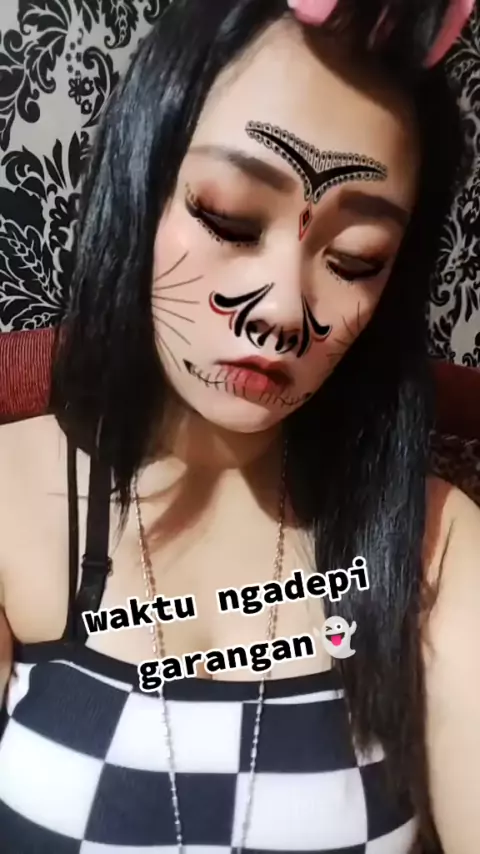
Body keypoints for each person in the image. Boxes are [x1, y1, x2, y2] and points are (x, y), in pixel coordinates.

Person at [0, 0, 479, 852]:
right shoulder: (9, 499)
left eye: (356, 260)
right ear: (141, 188)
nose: (284, 311)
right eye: (228, 217)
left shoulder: (438, 547)